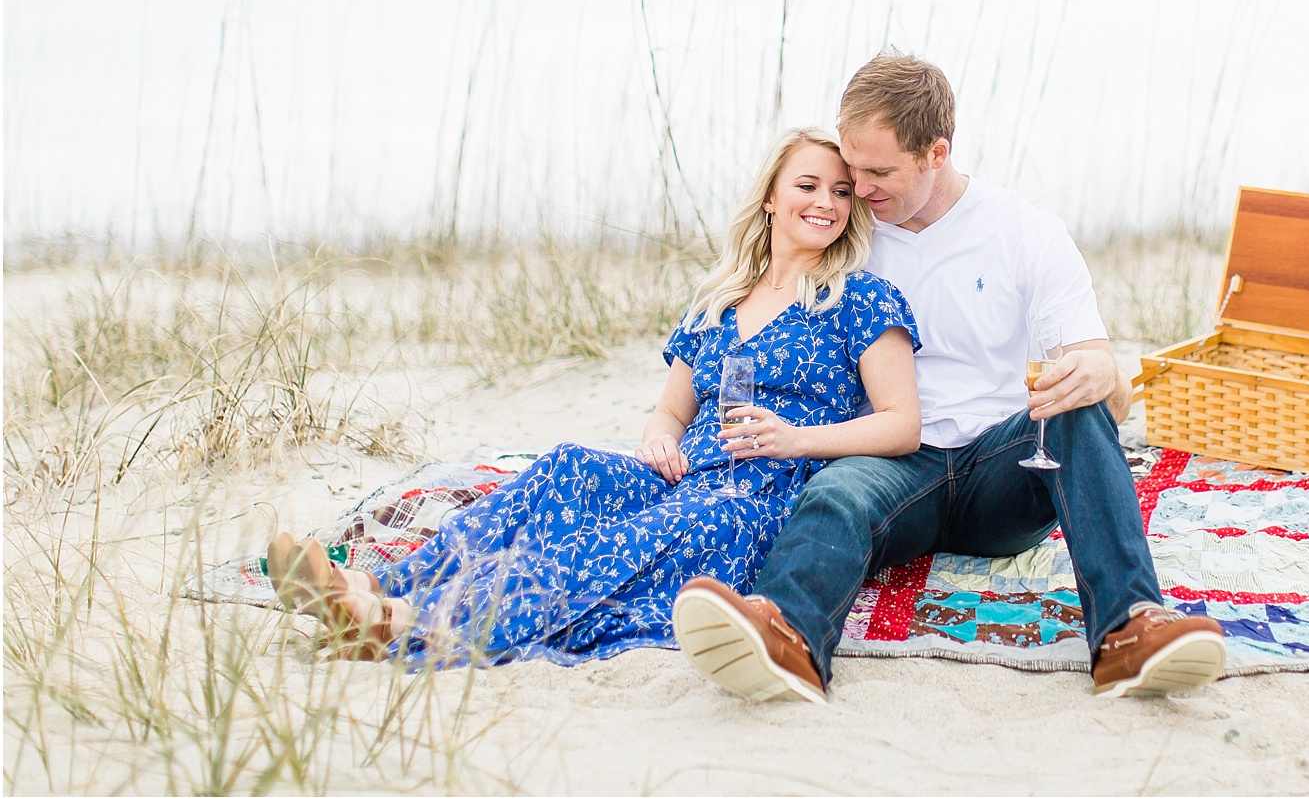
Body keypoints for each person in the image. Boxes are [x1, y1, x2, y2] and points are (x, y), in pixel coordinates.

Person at [671, 53, 1225, 702]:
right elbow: (759, 307)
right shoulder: (847, 237)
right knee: (839, 490)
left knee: (1076, 410)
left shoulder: (1026, 233)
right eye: (852, 169)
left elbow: (1112, 395)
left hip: (1001, 470)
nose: (859, 188)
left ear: (936, 153)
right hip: (893, 462)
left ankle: (1129, 631)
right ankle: (787, 635)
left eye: (879, 173)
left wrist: (1102, 373)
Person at [264, 127, 921, 667]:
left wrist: (796, 438)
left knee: (634, 538)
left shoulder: (862, 299)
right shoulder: (719, 303)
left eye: (841, 192)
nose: (826, 202)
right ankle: (377, 585)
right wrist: (658, 439)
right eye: (808, 185)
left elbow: (902, 426)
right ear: (772, 199)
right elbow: (671, 409)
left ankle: (412, 625)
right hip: (685, 470)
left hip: (762, 490)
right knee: (568, 467)